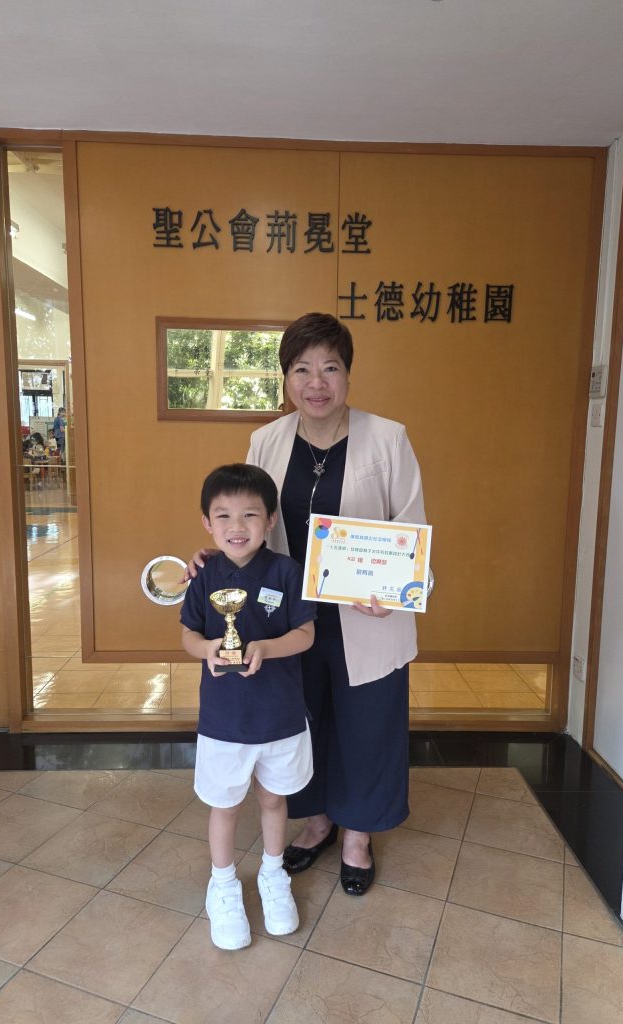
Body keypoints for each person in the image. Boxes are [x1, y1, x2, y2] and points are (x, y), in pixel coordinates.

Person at [188, 312, 426, 897]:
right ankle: (318, 820)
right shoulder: (266, 441)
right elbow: (248, 521)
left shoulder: (387, 438)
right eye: (302, 369)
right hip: (286, 620)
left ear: (348, 374)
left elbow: (411, 531)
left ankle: (357, 836)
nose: (316, 383)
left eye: (330, 368)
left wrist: (397, 589)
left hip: (365, 618)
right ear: (286, 377)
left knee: (367, 723)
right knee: (303, 723)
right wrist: (216, 556)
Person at [180, 463, 316, 950]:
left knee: (274, 799)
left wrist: (265, 648)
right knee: (225, 805)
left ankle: (273, 875)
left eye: (250, 515)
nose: (237, 527)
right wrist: (207, 649)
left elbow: (306, 633)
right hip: (225, 721)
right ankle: (222, 885)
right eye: (223, 516)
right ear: (207, 523)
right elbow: (188, 634)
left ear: (271, 519)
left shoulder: (286, 571)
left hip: (281, 716)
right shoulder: (204, 575)